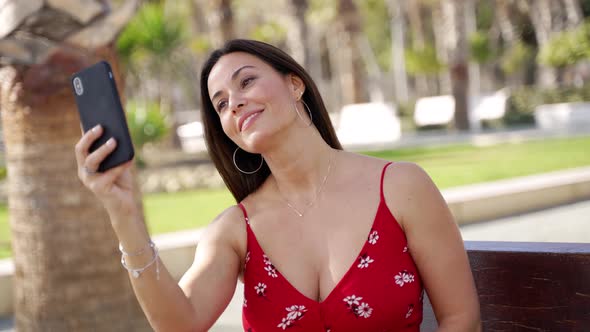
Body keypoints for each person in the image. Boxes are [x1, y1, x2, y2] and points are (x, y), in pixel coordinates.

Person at [75, 39, 481, 331]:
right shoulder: (235, 231)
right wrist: (121, 210)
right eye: (220, 103)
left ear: (294, 84)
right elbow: (178, 324)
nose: (233, 102)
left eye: (246, 82)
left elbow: (461, 318)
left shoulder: (401, 187)